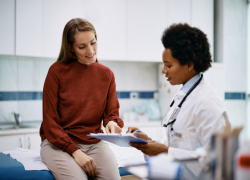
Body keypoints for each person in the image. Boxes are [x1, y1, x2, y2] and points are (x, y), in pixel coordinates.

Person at [127, 23, 231, 160]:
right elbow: (180, 145)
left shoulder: (207, 102)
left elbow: (218, 158)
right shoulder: (182, 96)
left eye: (169, 65)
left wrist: (165, 152)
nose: (164, 71)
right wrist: (148, 141)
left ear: (189, 64)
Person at [40, 18, 123, 180]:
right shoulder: (56, 72)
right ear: (70, 47)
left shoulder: (107, 74)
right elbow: (50, 124)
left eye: (93, 42)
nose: (91, 50)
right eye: (82, 47)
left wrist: (112, 123)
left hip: (94, 143)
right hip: (58, 145)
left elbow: (112, 114)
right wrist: (75, 151)